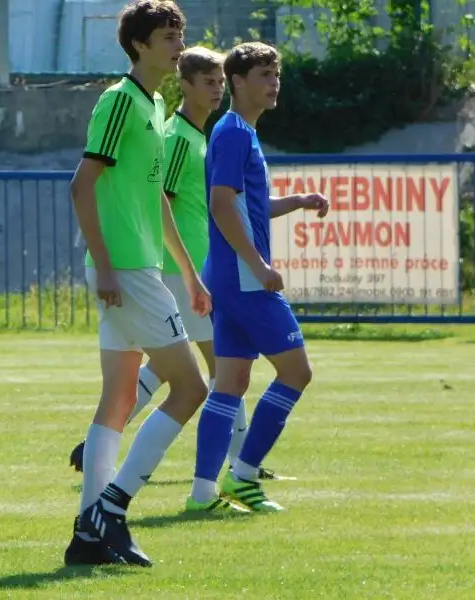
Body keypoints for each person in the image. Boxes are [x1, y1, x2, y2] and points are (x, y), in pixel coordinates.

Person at [69, 46, 285, 491]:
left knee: (176, 369)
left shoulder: (198, 135)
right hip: (161, 267)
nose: (216, 88)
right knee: (220, 368)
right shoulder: (174, 136)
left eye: (219, 82)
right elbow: (156, 198)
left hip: (184, 269)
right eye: (208, 81)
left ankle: (99, 455)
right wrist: (182, 268)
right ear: (185, 83)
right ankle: (235, 469)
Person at [64, 1, 213, 568]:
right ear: (139, 46)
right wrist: (104, 265)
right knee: (191, 387)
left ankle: (86, 538)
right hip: (124, 270)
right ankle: (112, 510)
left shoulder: (155, 105)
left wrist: (191, 273)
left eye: (180, 35)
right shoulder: (119, 101)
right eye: (167, 37)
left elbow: (157, 202)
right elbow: (82, 186)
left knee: (121, 398)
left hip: (142, 266)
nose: (178, 45)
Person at [193, 41, 329, 513]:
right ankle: (244, 476)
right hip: (242, 278)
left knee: (230, 381)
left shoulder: (235, 131)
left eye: (276, 75)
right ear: (237, 81)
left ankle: (200, 493)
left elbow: (244, 206)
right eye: (264, 75)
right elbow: (220, 205)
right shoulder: (233, 133)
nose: (274, 84)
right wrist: (258, 265)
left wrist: (297, 201)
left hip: (226, 277)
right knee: (297, 372)